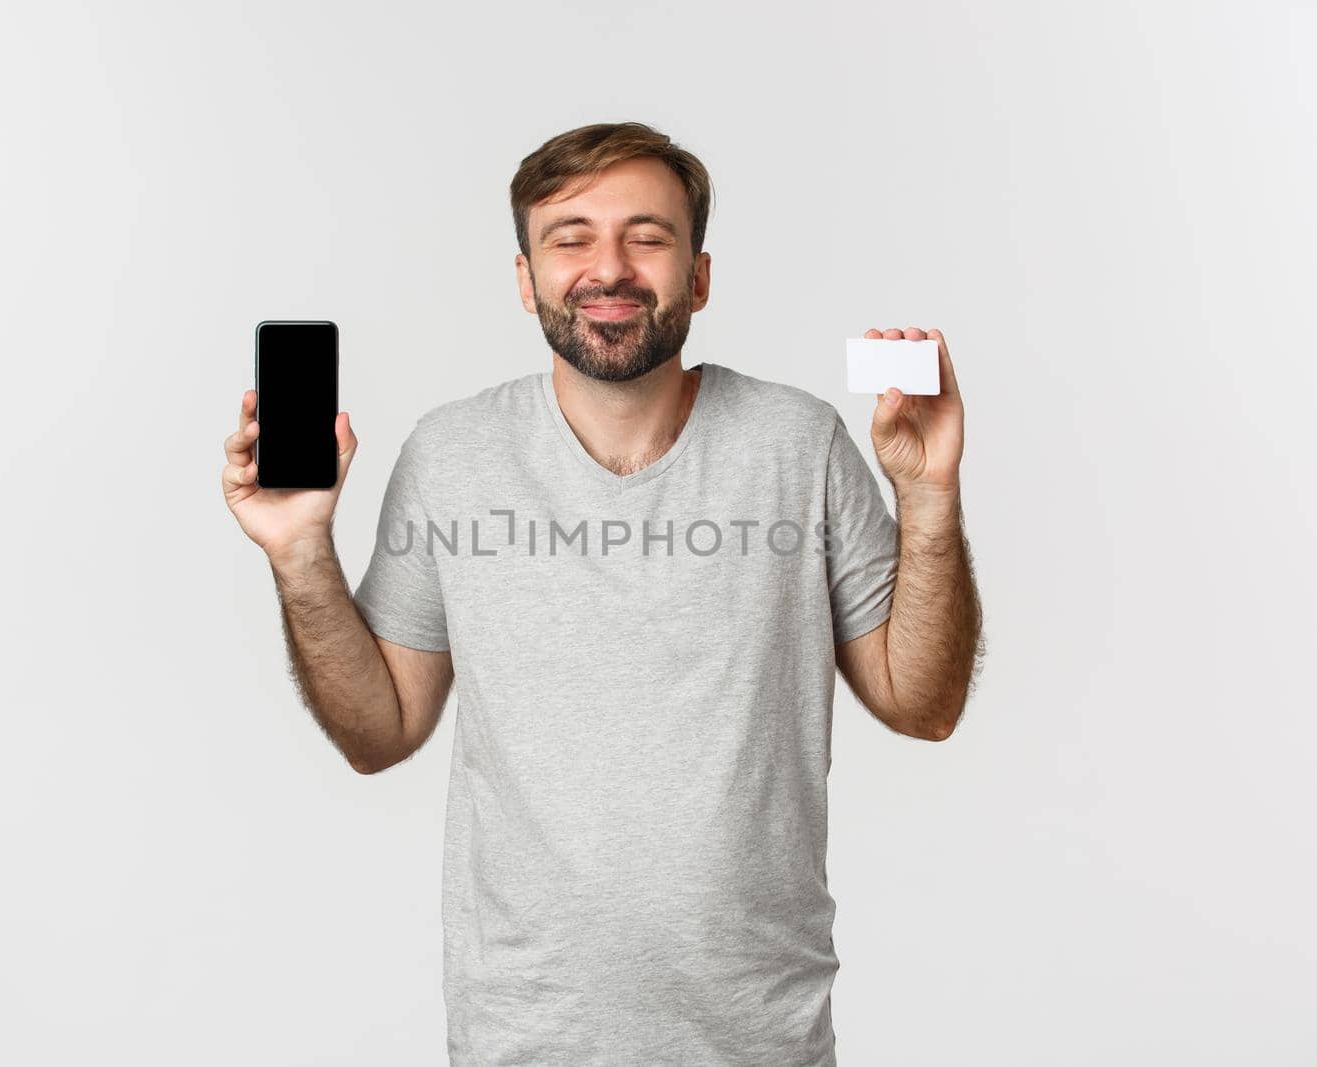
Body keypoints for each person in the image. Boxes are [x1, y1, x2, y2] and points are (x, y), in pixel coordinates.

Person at [221, 121, 983, 1065]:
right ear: (525, 276)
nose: (608, 267)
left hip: (760, 1037)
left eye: (648, 236)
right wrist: (299, 552)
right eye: (570, 237)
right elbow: (380, 734)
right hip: (526, 1037)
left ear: (699, 276)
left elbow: (925, 703)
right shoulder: (452, 455)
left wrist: (928, 492)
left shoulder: (801, 443)